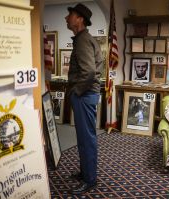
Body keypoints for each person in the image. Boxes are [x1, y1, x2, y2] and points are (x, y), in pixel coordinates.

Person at [65, 3, 103, 195]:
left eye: (70, 15)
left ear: (80, 19)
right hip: (87, 94)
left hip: (85, 95)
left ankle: (90, 180)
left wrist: (76, 92)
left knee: (87, 139)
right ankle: (86, 172)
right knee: (83, 137)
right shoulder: (84, 38)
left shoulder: (82, 40)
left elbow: (88, 72)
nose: (66, 18)